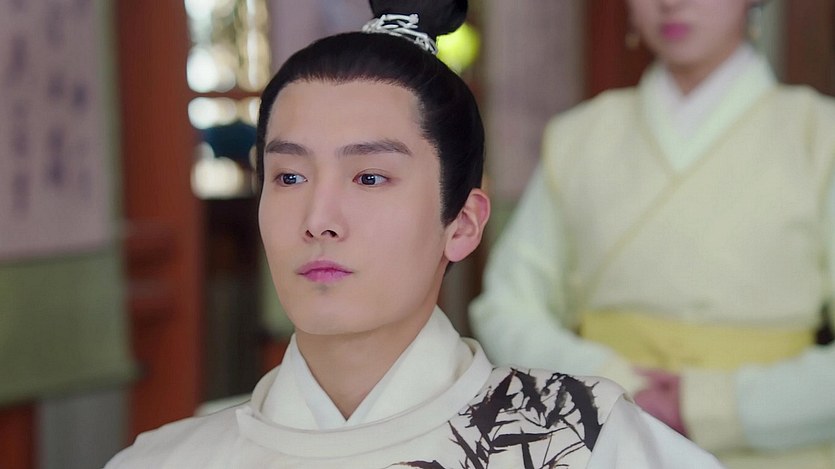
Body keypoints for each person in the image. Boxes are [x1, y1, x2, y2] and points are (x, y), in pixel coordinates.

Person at [104, 1, 722, 467]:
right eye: (289, 176)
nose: (319, 218)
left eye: (370, 177)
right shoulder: (166, 461)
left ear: (463, 224)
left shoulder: (581, 441)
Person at [469, 0, 835, 467]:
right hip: (607, 443)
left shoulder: (820, 135)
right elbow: (506, 305)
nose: (671, 4)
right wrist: (610, 383)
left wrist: (716, 405)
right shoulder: (579, 136)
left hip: (778, 451)